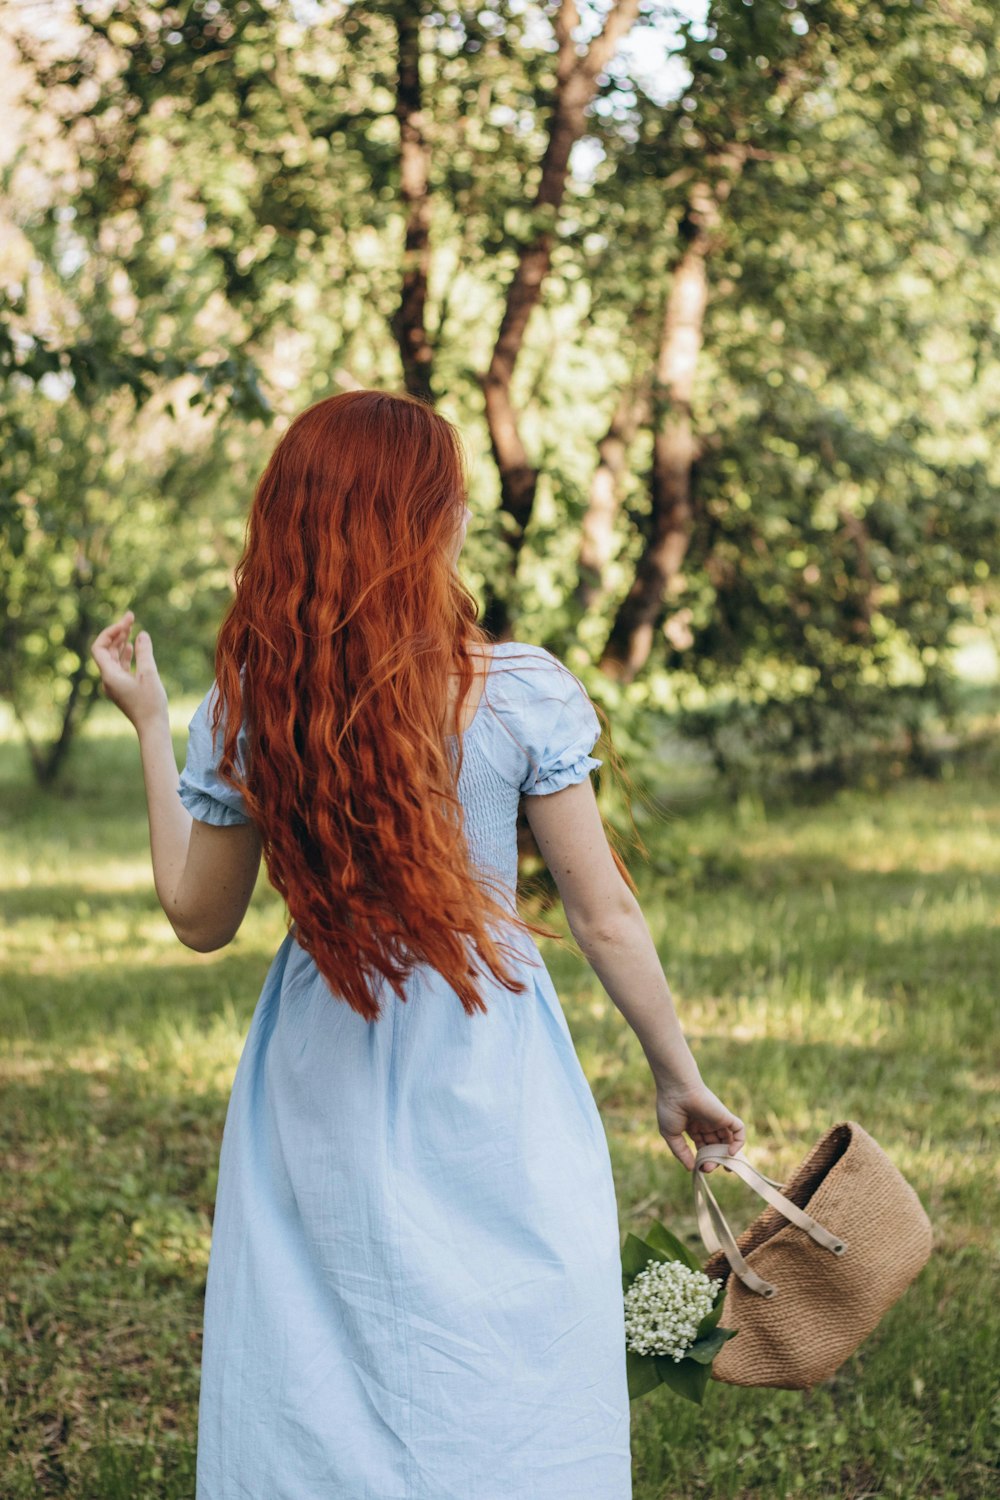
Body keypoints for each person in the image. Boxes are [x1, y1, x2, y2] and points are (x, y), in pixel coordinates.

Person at [90, 389, 745, 1500]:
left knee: (323, 1332)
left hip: (319, 1050)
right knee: (518, 1319)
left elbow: (200, 919)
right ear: (420, 522)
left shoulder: (252, 705)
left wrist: (155, 724)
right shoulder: (516, 693)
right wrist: (675, 1077)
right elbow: (603, 914)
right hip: (486, 1045)